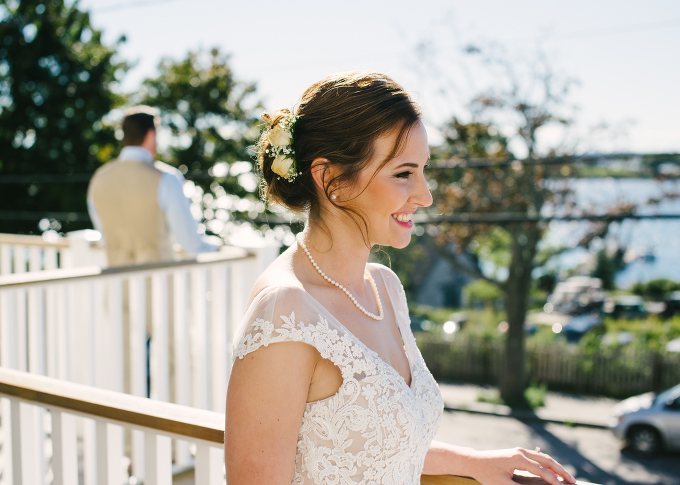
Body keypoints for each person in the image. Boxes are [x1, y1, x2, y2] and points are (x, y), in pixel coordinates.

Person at [225, 73, 577, 485]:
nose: (425, 195)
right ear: (330, 179)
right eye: (403, 173)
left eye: (423, 170)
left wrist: (472, 463)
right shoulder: (285, 313)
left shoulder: (384, 288)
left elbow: (371, 446)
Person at [87, 105, 218, 267]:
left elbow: (104, 236)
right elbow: (191, 245)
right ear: (150, 135)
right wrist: (216, 246)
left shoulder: (98, 179)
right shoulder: (166, 177)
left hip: (116, 287)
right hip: (158, 287)